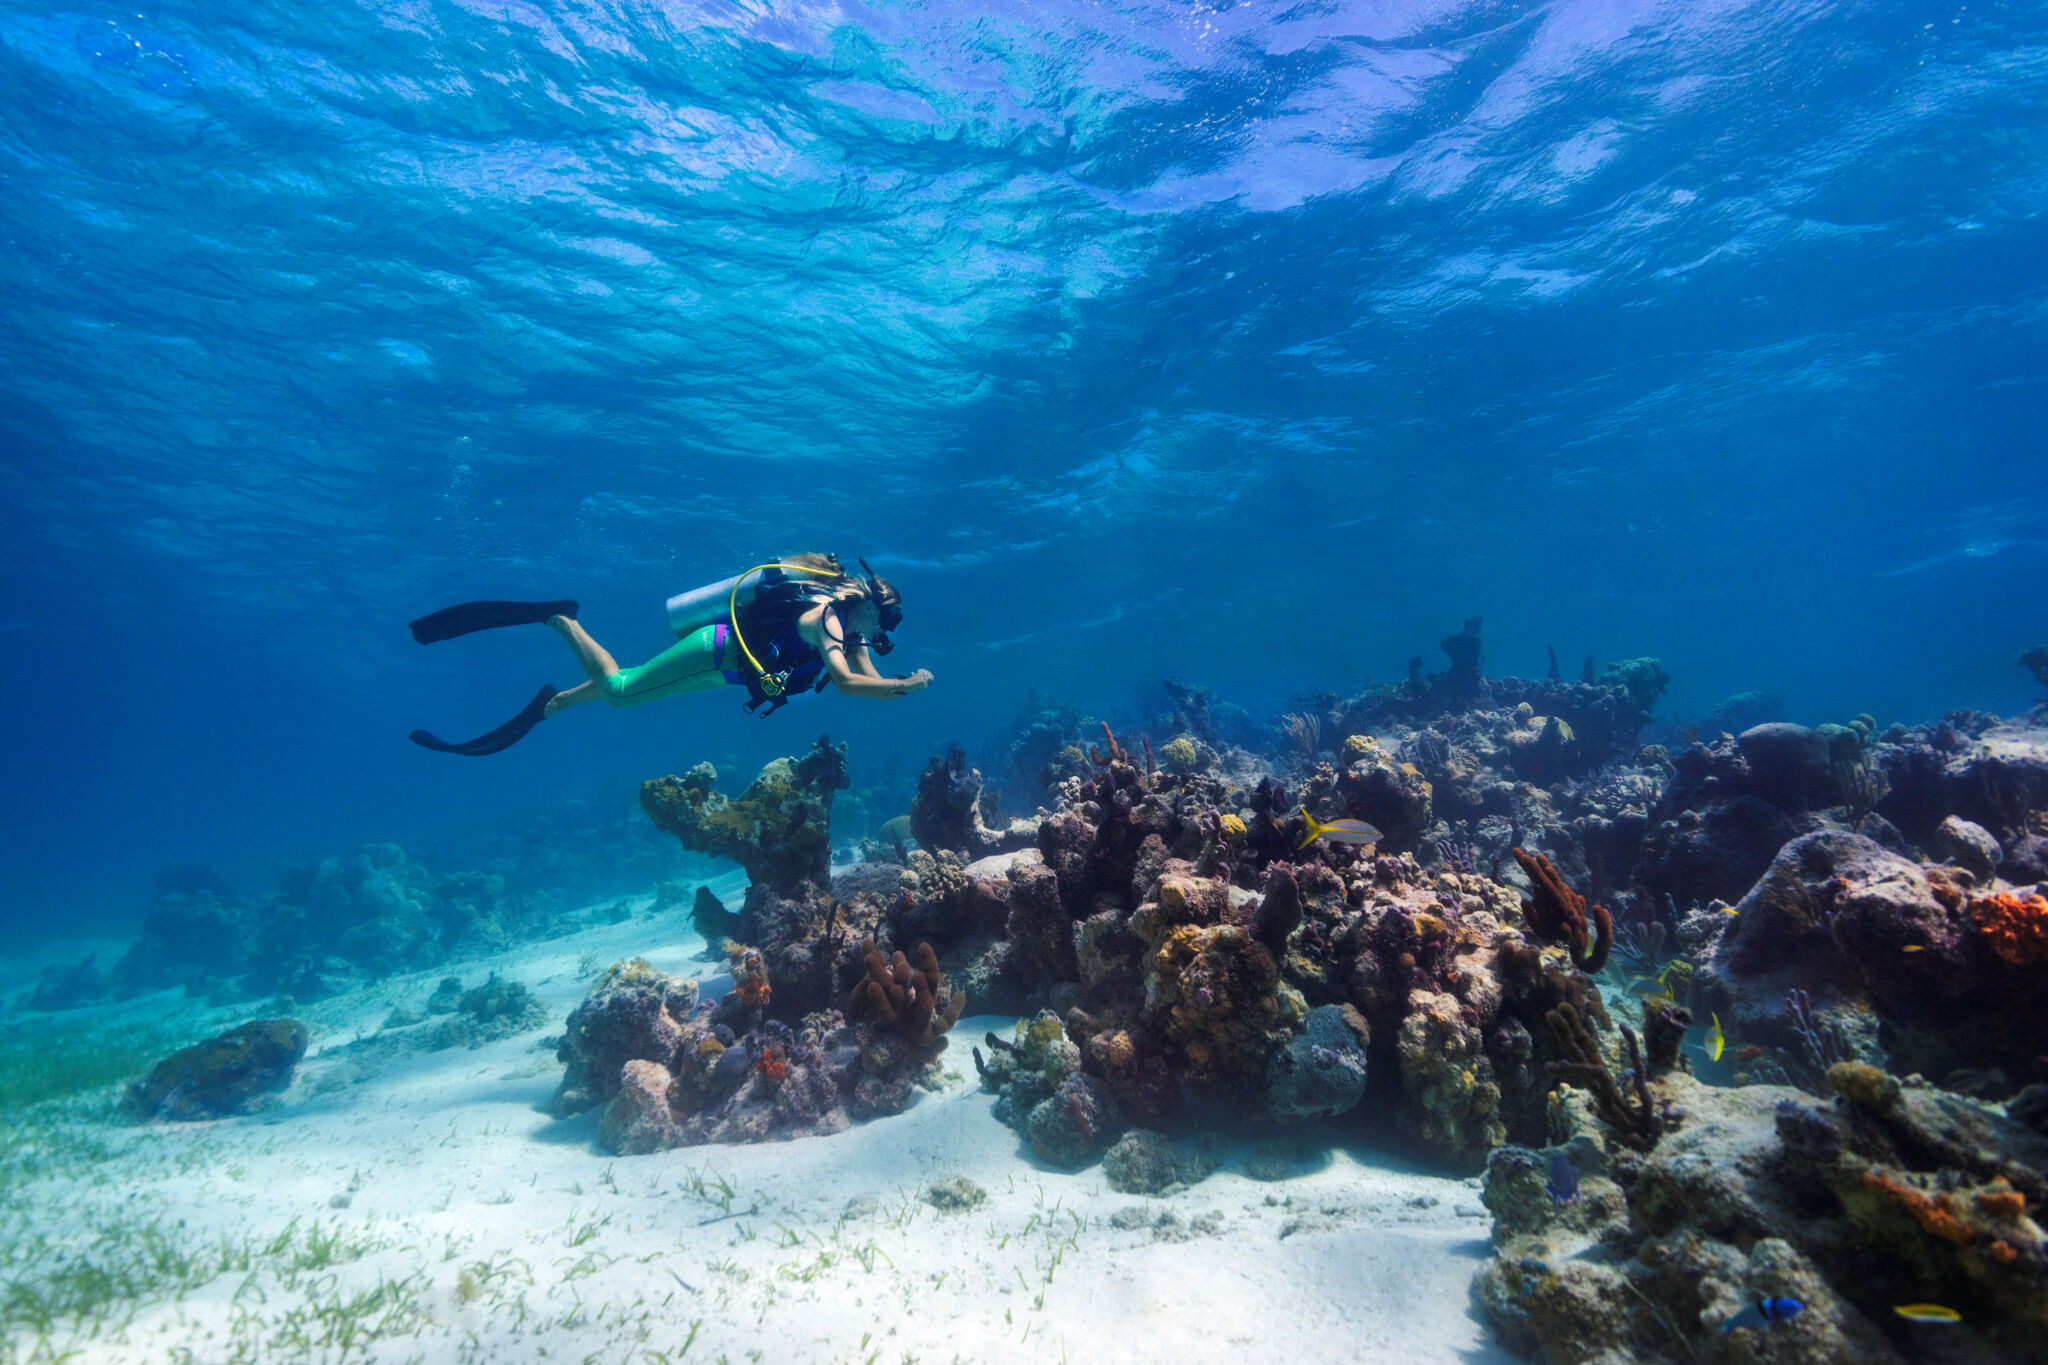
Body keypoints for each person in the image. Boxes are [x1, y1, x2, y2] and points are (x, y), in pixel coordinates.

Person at [406, 554, 931, 755]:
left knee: (635, 683)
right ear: (867, 605)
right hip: (717, 651)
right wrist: (903, 685)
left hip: (730, 674)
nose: (883, 631)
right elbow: (848, 683)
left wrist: (898, 687)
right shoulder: (827, 618)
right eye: (885, 620)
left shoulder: (852, 632)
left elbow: (869, 681)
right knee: (621, 692)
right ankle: (562, 619)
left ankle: (556, 703)